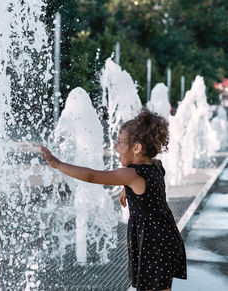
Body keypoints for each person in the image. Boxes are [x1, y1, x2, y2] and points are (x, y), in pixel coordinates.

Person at [40, 108, 187, 291]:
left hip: (153, 241)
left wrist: (58, 164)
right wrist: (128, 189)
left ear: (137, 148)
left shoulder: (132, 175)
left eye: (119, 143)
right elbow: (149, 190)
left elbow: (93, 176)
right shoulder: (155, 166)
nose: (115, 147)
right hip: (165, 236)